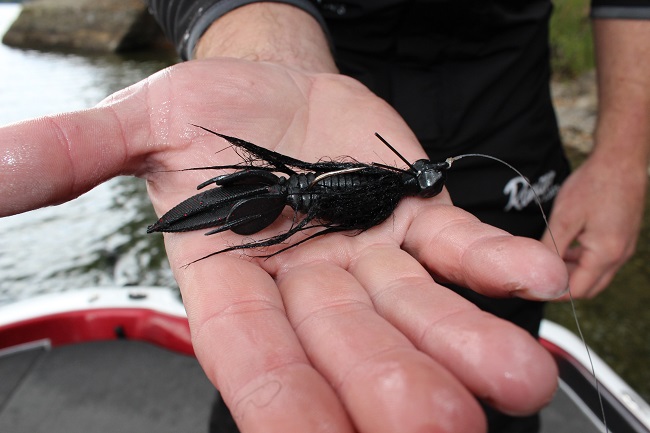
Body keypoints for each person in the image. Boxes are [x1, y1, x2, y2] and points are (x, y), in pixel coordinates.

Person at [0, 1, 647, 432]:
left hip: (504, 108)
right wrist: (261, 45)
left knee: (492, 379)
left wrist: (624, 157)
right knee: (284, 371)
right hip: (311, 85)